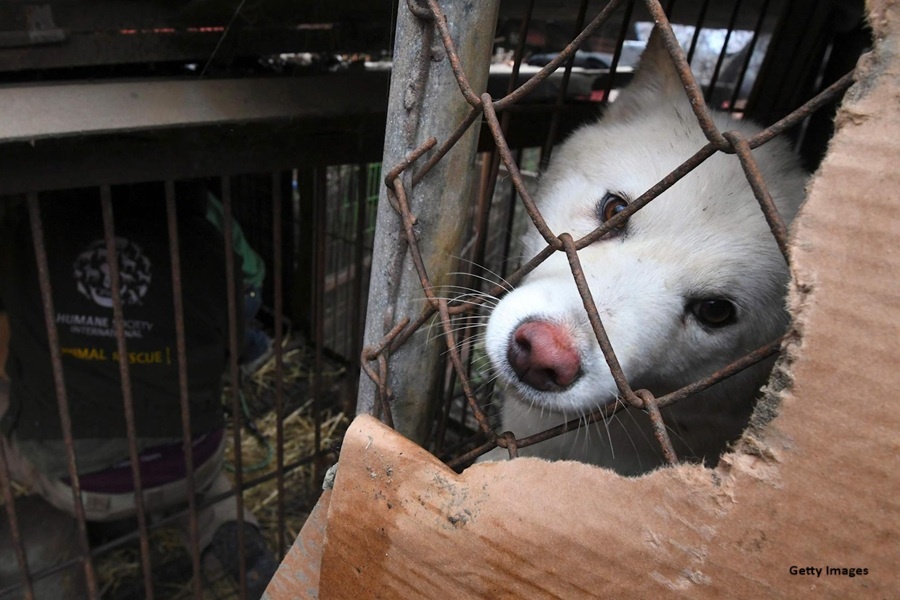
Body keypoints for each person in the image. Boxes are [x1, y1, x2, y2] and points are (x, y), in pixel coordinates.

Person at [0, 182, 277, 598]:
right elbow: (234, 349)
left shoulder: (20, 238)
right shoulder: (205, 244)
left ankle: (34, 540)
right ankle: (224, 524)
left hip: (78, 482)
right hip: (193, 456)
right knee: (190, 473)